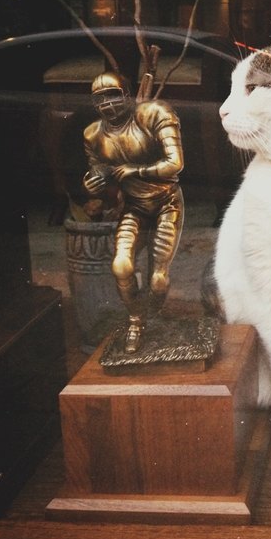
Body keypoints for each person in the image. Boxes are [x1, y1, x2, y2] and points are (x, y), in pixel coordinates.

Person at [82, 71, 185, 354]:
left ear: (127, 94)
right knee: (121, 266)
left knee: (158, 278)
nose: (108, 105)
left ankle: (154, 316)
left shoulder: (153, 114)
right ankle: (136, 321)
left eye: (114, 95)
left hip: (166, 202)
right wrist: (93, 183)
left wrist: (136, 171)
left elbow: (175, 163)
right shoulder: (93, 134)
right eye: (100, 99)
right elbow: (99, 177)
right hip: (134, 207)